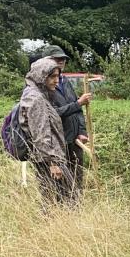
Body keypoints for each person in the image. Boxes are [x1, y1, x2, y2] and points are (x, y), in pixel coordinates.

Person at [18, 57, 74, 208]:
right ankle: (55, 228)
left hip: (49, 157)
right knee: (64, 198)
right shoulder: (35, 98)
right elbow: (40, 133)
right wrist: (53, 163)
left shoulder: (39, 94)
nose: (57, 81)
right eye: (52, 76)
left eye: (58, 76)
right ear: (41, 76)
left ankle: (56, 228)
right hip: (48, 159)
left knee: (54, 198)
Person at [42, 45, 92, 204]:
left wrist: (82, 131)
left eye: (63, 58)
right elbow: (52, 113)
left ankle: (75, 212)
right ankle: (58, 216)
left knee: (77, 178)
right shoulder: (42, 86)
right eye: (57, 58)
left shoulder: (65, 81)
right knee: (58, 182)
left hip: (75, 140)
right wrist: (78, 103)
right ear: (46, 61)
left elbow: (78, 109)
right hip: (58, 141)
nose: (61, 61)